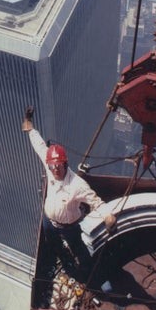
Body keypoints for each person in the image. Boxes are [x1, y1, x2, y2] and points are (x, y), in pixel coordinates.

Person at [22, 111, 116, 287]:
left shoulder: (77, 185)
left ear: (65, 164)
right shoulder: (50, 167)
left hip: (69, 227)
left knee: (78, 248)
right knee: (54, 244)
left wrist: (108, 216)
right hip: (49, 221)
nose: (55, 170)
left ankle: (90, 275)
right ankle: (65, 261)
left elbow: (96, 202)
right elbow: (40, 146)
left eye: (58, 166)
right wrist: (30, 128)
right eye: (52, 166)